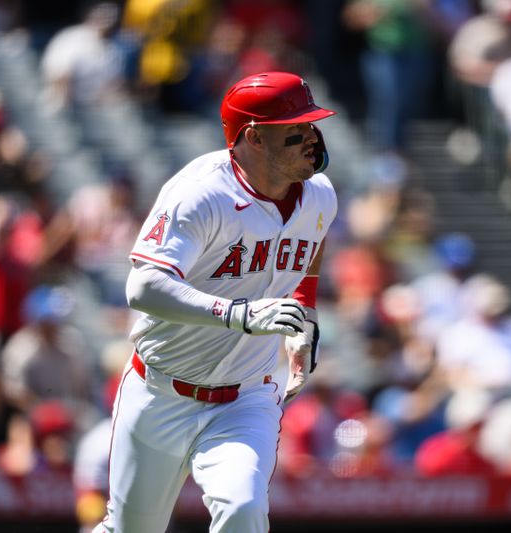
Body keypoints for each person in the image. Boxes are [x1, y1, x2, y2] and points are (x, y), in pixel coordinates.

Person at [97, 71, 337, 533]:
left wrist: (302, 315)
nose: (312, 136)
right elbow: (143, 286)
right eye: (297, 128)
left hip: (247, 397)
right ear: (255, 138)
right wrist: (239, 316)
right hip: (160, 390)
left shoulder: (320, 195)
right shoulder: (202, 193)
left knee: (243, 509)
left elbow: (313, 247)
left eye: (312, 124)